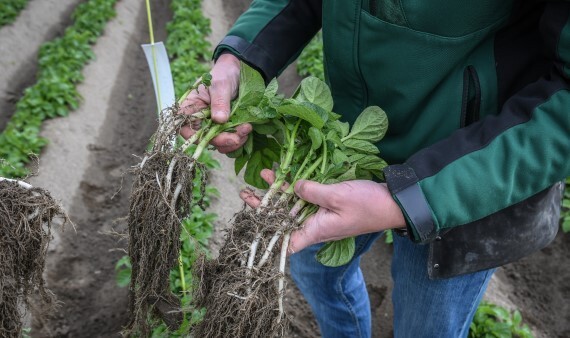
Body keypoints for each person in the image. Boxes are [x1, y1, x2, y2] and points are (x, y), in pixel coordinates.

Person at [179, 1, 570, 337]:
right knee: (313, 271)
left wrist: (409, 202)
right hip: (348, 142)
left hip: (468, 175)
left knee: (425, 325)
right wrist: (240, 59)